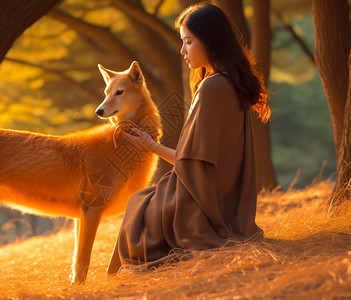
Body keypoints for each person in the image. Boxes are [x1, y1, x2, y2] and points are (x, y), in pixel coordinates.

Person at [107, 3, 271, 274]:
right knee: (144, 199)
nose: (182, 51)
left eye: (188, 42)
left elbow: (192, 164)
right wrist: (150, 144)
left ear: (210, 40)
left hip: (201, 205)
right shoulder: (230, 82)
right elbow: (201, 161)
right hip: (227, 202)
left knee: (139, 205)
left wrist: (151, 146)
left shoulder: (212, 86)